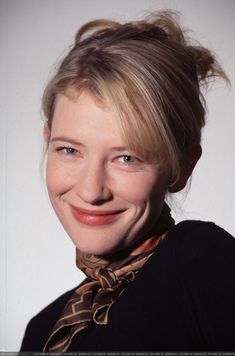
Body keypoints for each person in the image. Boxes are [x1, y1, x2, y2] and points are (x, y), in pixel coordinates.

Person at [20, 10, 235, 352]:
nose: (91, 191)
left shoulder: (203, 262)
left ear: (182, 165)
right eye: (69, 150)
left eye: (127, 158)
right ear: (47, 140)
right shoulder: (41, 330)